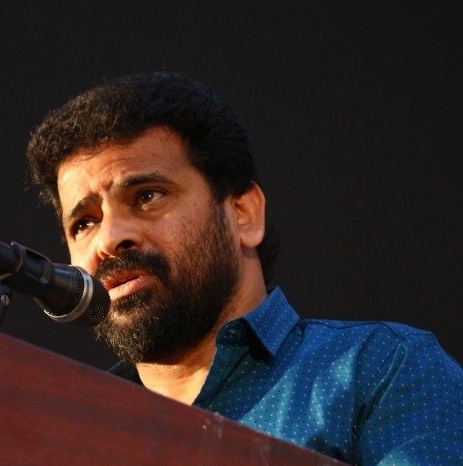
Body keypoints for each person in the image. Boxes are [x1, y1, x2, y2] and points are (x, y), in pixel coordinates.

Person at [25, 72, 462, 465]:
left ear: (243, 214)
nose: (109, 239)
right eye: (84, 224)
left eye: (147, 196)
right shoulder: (75, 437)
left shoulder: (380, 368)